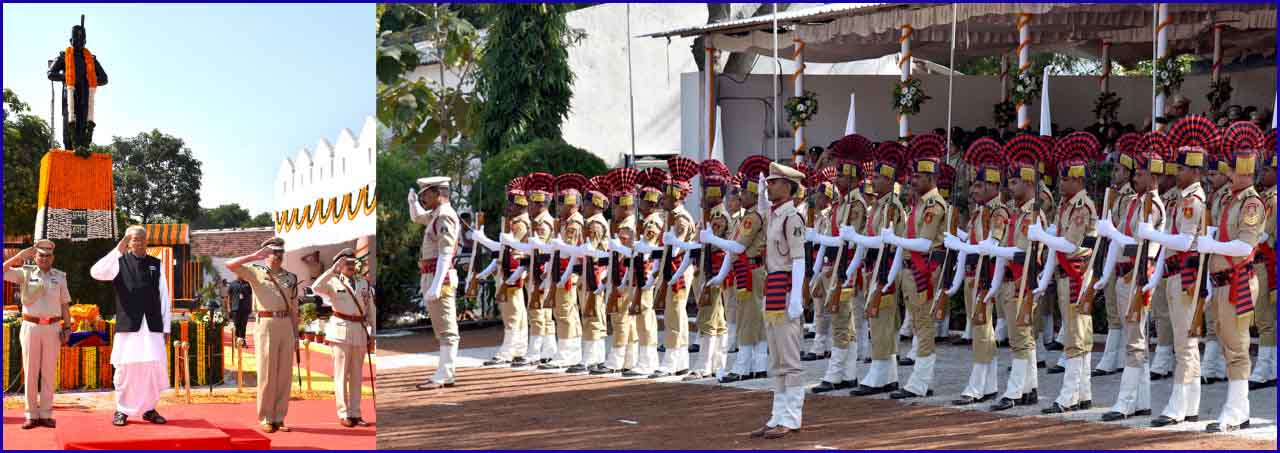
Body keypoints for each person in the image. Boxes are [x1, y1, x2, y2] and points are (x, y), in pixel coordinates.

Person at [1194, 122, 1266, 432]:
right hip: (1221, 282)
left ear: (1246, 171)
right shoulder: (1226, 199)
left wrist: (1213, 245)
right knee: (1226, 344)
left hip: (1238, 281)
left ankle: (1236, 410)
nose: (1228, 173)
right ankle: (1239, 408)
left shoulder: (1251, 203)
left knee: (1237, 347)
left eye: (1233, 169)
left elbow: (1244, 245)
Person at [1143, 115, 1211, 426]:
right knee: (1185, 342)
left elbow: (1183, 242)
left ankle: (1178, 405)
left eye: (1182, 168)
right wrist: (1155, 276)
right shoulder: (1179, 199)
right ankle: (1190, 404)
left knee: (1185, 342)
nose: (1177, 172)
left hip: (1186, 275)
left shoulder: (1192, 201)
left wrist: (1151, 234)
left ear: (1195, 171)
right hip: (1173, 274)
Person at [1098, 135, 1166, 422]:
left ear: (1154, 177)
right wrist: (1103, 275)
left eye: (1140, 174)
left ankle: (1126, 401)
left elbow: (1136, 243)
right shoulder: (1134, 202)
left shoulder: (1153, 205)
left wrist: (1111, 232)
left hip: (1139, 274)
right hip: (1125, 275)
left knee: (1135, 340)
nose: (1134, 178)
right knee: (1134, 338)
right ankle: (1142, 400)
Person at [1038, 138, 1101, 414]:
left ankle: (1069, 394)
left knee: (1076, 336)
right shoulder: (1066, 206)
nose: (1059, 184)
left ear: (1077, 180)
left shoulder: (1082, 207)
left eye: (1064, 179)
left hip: (1077, 276)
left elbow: (1070, 246)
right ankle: (1083, 392)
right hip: (1067, 276)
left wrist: (1042, 237)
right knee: (1078, 334)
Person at [888, 136, 950, 400]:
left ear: (931, 178)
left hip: (923, 270)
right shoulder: (919, 205)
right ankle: (920, 378)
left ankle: (921, 381)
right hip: (911, 270)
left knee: (923, 325)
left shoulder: (933, 206)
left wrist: (894, 240)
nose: (913, 180)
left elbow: (924, 243)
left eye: (919, 176)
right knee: (916, 323)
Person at [749, 162, 807, 439]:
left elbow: (798, 260)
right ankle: (777, 415)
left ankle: (792, 416)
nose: (767, 186)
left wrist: (796, 298)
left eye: (773, 182)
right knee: (776, 358)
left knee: (789, 359)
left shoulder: (791, 218)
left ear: (788, 187)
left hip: (784, 289)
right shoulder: (774, 215)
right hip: (772, 287)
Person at [90, 226, 170, 427]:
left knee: (150, 368)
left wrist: (166, 328)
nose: (139, 243)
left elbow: (164, 297)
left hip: (151, 327)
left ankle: (149, 409)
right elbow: (96, 272)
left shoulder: (156, 264)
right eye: (134, 239)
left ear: (147, 242)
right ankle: (122, 410)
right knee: (126, 369)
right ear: (129, 241)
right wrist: (119, 246)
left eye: (142, 239)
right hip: (128, 326)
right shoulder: (118, 262)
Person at [955, 137, 1009, 406]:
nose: (973, 190)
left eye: (978, 185)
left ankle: (979, 382)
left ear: (992, 186)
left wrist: (965, 244)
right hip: (972, 274)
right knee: (978, 327)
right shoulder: (979, 212)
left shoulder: (997, 211)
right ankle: (988, 382)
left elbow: (992, 245)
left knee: (981, 327)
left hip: (985, 275)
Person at [226, 237, 299, 432]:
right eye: (273, 252)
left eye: (280, 252)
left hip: (285, 324)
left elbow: (294, 308)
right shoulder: (256, 272)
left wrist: (296, 333)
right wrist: (253, 256)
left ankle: (279, 416)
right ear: (266, 254)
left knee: (284, 374)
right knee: (267, 373)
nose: (277, 256)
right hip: (266, 324)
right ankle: (266, 417)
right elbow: (230, 264)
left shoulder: (291, 277)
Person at [711, 157, 770, 383]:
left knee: (748, 316)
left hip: (751, 270)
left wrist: (712, 240)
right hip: (747, 268)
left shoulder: (752, 218)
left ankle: (744, 366)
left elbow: (738, 247)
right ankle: (759, 363)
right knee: (752, 315)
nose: (739, 196)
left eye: (744, 193)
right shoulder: (745, 217)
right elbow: (734, 251)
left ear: (754, 195)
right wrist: (721, 275)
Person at [4, 240, 71, 429]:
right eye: (40, 255)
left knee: (49, 372)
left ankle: (46, 413)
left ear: (53, 258)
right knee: (31, 371)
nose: (44, 258)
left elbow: (65, 304)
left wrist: (67, 327)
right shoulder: (24, 273)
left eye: (48, 255)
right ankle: (31, 414)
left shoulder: (60, 277)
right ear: (35, 256)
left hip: (52, 328)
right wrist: (18, 257)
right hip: (31, 326)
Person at [407, 177, 461, 389]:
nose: (423, 198)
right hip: (432, 275)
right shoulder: (437, 214)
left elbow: (446, 253)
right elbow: (418, 217)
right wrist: (412, 202)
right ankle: (445, 372)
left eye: (426, 194)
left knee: (447, 328)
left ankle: (445, 373)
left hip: (441, 276)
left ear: (439, 194)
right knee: (441, 326)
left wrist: (437, 285)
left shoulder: (445, 216)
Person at [311, 248, 374, 428]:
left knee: (356, 376)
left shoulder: (363, 283)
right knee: (341, 375)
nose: (351, 266)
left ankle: (356, 413)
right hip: (340, 330)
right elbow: (316, 288)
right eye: (347, 263)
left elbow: (371, 309)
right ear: (339, 265)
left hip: (360, 330)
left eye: (353, 263)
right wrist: (332, 270)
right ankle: (343, 412)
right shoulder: (332, 282)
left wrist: (373, 333)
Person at [686, 172, 730, 381]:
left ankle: (704, 364)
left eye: (706, 191)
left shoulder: (717, 216)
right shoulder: (709, 216)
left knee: (707, 315)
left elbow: (711, 243)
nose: (702, 196)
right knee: (716, 317)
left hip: (713, 269)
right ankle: (717, 363)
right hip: (708, 268)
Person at [483, 180, 532, 367]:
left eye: (512, 203)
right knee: (516, 310)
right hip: (511, 267)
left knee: (511, 311)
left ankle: (508, 350)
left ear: (520, 204)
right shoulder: (519, 221)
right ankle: (518, 348)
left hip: (512, 268)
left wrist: (484, 240)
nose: (508, 207)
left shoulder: (519, 223)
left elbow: (509, 247)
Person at [1248, 136, 1277, 390]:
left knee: (1266, 319)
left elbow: (1265, 235)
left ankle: (1266, 369)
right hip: (1259, 262)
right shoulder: (1265, 197)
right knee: (1262, 318)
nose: (1262, 173)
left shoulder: (1273, 199)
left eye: (1267, 170)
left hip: (1266, 263)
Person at [229, 276, 253, 346]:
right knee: (236, 325)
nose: (240, 275)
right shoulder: (232, 284)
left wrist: (250, 306)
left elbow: (250, 296)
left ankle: (243, 342)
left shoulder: (247, 284)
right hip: (235, 308)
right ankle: (236, 341)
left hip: (245, 308)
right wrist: (229, 308)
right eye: (238, 274)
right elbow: (229, 296)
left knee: (243, 326)